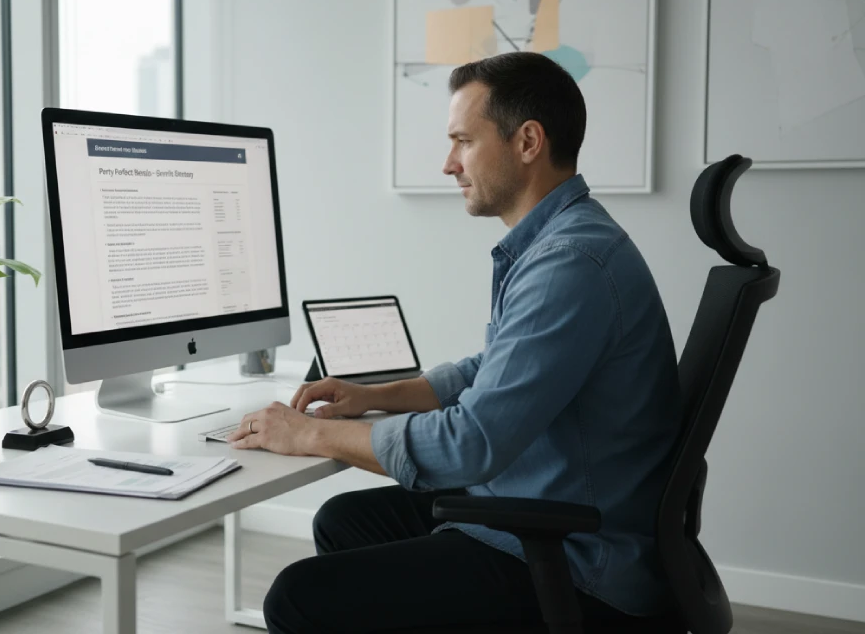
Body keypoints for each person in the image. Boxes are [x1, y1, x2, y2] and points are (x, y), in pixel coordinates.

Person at [227, 51, 681, 633]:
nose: (448, 164)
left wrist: (312, 433)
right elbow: (492, 369)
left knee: (296, 597)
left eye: (463, 141)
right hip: (554, 509)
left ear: (527, 142)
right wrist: (377, 395)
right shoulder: (563, 241)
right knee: (344, 521)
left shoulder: (569, 264)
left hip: (576, 559)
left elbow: (470, 445)